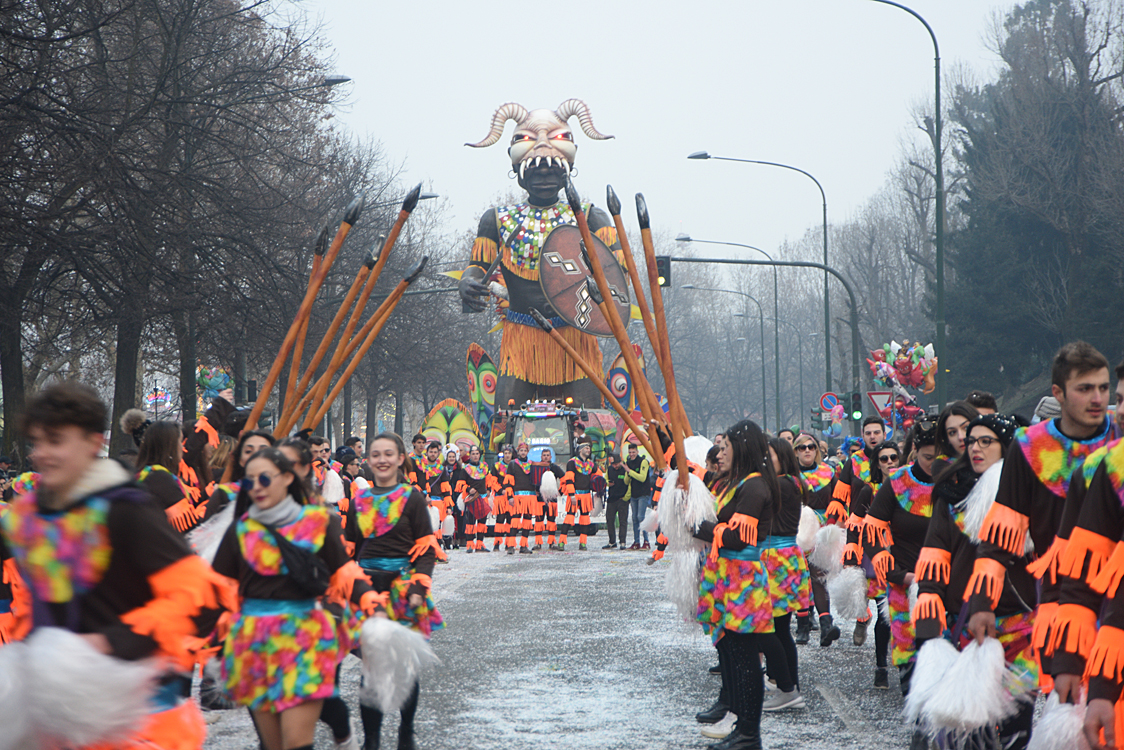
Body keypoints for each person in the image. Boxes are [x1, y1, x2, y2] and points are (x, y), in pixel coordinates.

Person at [0, 382, 234, 750]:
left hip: (131, 717)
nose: (41, 454)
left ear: (93, 443)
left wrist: (110, 643)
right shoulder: (31, 514)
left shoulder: (126, 509)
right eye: (36, 442)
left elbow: (200, 599)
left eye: (56, 441)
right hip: (52, 715)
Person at [968, 342, 1116, 693]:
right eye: (1084, 389)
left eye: (1103, 388)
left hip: (1116, 596)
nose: (1097, 399)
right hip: (1060, 599)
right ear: (1058, 393)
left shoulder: (1118, 438)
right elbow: (1003, 528)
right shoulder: (1028, 445)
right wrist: (981, 603)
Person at [212, 447, 377, 750]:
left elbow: (343, 571)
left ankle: (344, 733)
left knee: (297, 743)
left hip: (304, 638)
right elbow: (216, 588)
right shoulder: (240, 530)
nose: (256, 486)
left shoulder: (318, 521)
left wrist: (368, 599)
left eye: (264, 478)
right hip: (254, 644)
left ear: (288, 477)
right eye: (249, 480)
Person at [458, 99, 619, 407]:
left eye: (552, 172)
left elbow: (619, 273)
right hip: (521, 343)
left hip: (576, 337)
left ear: (566, 172)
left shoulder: (591, 218)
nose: (544, 177)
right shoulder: (496, 220)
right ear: (518, 170)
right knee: (506, 424)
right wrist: (467, 281)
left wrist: (606, 286)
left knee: (590, 426)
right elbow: (477, 266)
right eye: (536, 173)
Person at [913, 413, 1034, 750]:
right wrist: (929, 601)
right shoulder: (951, 493)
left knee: (1016, 723)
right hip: (967, 624)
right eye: (971, 442)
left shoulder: (1029, 492)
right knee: (970, 726)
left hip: (1022, 624)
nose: (976, 449)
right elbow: (935, 551)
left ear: (1006, 447)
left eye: (986, 442)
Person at [345, 433, 444, 750]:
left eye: (389, 454)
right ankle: (371, 740)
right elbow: (349, 550)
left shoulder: (413, 498)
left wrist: (419, 584)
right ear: (368, 460)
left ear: (401, 458)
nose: (382, 460)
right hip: (368, 590)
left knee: (404, 664)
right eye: (375, 454)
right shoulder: (358, 501)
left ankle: (406, 732)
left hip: (405, 589)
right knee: (372, 666)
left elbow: (426, 549)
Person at [693, 419, 779, 750]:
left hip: (742, 578)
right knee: (730, 650)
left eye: (726, 447)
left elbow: (735, 535)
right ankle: (740, 725)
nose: (720, 452)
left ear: (742, 448)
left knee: (745, 657)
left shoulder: (755, 487)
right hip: (724, 572)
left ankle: (749, 733)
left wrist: (701, 527)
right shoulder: (734, 483)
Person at [861, 420, 939, 717]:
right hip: (904, 582)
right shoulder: (896, 483)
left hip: (948, 586)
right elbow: (872, 532)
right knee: (911, 662)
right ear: (915, 451)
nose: (935, 465)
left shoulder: (957, 480)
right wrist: (895, 571)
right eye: (929, 457)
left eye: (941, 458)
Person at [760, 438, 812, 712]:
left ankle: (787, 687)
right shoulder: (792, 482)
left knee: (775, 630)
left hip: (776, 561)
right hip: (784, 559)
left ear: (782, 456)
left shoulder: (780, 484)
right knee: (780, 629)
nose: (765, 461)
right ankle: (788, 684)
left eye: (769, 456)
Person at [843, 440, 901, 687]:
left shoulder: (909, 488)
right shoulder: (869, 490)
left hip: (905, 556)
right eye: (884, 459)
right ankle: (881, 668)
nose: (889, 463)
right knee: (883, 614)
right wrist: (851, 557)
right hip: (877, 557)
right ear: (877, 464)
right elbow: (854, 526)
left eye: (893, 458)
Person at [835, 417, 887, 645]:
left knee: (882, 581)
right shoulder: (853, 461)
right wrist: (835, 522)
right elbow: (839, 495)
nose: (873, 437)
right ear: (862, 436)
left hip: (886, 531)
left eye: (877, 432)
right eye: (868, 433)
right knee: (858, 579)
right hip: (857, 528)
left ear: (885, 434)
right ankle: (861, 617)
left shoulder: (891, 459)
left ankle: (884, 625)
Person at [791, 432, 840, 646]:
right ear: (795, 452)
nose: (807, 450)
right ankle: (802, 625)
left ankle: (826, 624)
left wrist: (832, 521)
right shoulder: (788, 476)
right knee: (800, 576)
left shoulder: (829, 472)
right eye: (802, 448)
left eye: (811, 447)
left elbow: (840, 498)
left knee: (819, 575)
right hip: (796, 528)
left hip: (823, 529)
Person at [559, 438, 599, 551]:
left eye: (589, 448)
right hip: (575, 494)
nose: (589, 450)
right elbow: (569, 480)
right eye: (586, 448)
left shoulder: (591, 464)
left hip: (586, 495)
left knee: (585, 518)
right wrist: (571, 495)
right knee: (569, 517)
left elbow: (597, 476)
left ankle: (583, 543)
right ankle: (561, 542)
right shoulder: (572, 462)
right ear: (580, 450)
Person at [455, 445, 492, 553]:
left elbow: (489, 480)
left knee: (482, 522)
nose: (475, 456)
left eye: (477, 454)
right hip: (471, 499)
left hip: (483, 497)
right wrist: (468, 488)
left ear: (480, 455)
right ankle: (470, 544)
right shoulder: (465, 469)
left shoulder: (484, 467)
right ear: (470, 455)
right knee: (470, 522)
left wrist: (489, 489)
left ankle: (480, 544)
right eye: (473, 454)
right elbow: (460, 484)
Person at [503, 443, 538, 554]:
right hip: (517, 496)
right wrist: (510, 497)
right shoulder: (513, 464)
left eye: (525, 450)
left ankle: (523, 546)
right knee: (515, 521)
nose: (523, 452)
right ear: (518, 452)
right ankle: (511, 546)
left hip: (530, 496)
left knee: (527, 522)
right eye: (521, 450)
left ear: (527, 452)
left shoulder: (532, 464)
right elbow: (508, 483)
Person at [625, 442, 653, 550]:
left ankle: (646, 542)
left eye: (633, 452)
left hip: (643, 493)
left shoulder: (643, 462)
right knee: (634, 518)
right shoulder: (628, 462)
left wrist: (629, 471)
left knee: (641, 517)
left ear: (637, 451)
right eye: (630, 452)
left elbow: (642, 477)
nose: (631, 454)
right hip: (634, 494)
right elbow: (626, 481)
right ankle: (636, 542)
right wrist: (627, 473)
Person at [310, 436, 345, 510]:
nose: (319, 455)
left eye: (321, 451)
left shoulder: (327, 470)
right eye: (315, 452)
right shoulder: (300, 468)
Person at [489, 445, 513, 552]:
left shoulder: (515, 465)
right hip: (500, 497)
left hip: (511, 496)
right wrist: (500, 490)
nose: (507, 455)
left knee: (510, 520)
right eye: (505, 453)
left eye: (509, 453)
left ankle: (509, 544)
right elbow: (493, 481)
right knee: (500, 520)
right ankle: (497, 544)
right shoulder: (497, 466)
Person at [603, 452, 629, 549]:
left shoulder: (625, 469)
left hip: (622, 498)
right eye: (613, 464)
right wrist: (607, 483)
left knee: (623, 521)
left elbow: (628, 482)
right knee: (610, 520)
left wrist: (626, 497)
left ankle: (623, 542)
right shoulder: (609, 469)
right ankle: (612, 541)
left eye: (617, 464)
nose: (615, 466)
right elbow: (605, 479)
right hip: (612, 498)